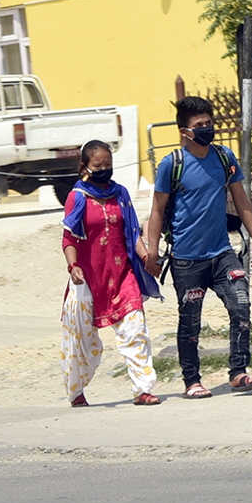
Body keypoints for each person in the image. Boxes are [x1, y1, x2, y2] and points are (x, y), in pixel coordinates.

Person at [142, 96, 252, 398]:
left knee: (241, 306)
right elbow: (157, 211)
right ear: (184, 131)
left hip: (222, 254)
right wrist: (152, 251)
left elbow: (241, 200)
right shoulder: (172, 165)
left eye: (209, 123)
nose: (206, 129)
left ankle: (238, 373)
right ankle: (192, 381)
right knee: (190, 322)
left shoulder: (224, 158)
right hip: (187, 260)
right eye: (199, 125)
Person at [61, 140, 162, 407]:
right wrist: (74, 267)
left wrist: (145, 257)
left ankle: (143, 389)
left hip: (122, 276)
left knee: (135, 329)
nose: (104, 169)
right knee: (82, 341)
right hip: (88, 280)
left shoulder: (121, 194)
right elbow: (68, 239)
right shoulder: (78, 197)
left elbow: (132, 233)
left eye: (108, 165)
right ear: (85, 167)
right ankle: (76, 389)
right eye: (98, 165)